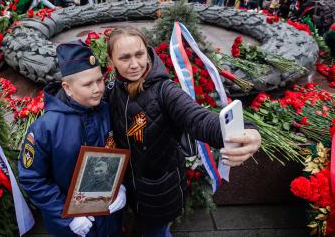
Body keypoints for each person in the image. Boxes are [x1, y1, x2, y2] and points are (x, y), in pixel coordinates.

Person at [105, 26, 261, 236]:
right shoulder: (112, 90)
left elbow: (198, 119)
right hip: (128, 188)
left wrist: (247, 131)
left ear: (147, 51)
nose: (134, 64)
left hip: (158, 191)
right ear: (111, 60)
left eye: (139, 54)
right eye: (124, 58)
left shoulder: (165, 91)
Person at [18, 41, 125, 237]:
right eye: (87, 84)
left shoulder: (108, 110)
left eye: (99, 80)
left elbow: (120, 152)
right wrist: (66, 215)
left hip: (109, 220)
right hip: (73, 229)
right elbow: (32, 178)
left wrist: (121, 186)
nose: (97, 89)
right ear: (67, 88)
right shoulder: (46, 127)